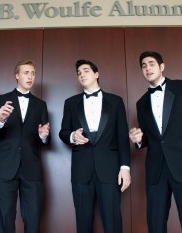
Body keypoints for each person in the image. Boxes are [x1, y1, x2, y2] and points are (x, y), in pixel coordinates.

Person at [129, 51, 182, 233]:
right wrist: (139, 140)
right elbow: (150, 139)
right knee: (155, 223)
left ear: (161, 66)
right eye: (143, 66)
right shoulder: (141, 103)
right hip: (156, 169)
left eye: (151, 63)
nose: (147, 68)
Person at [59, 59, 131, 233]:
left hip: (110, 170)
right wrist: (72, 136)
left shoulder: (116, 101)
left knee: (113, 222)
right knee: (83, 223)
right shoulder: (70, 102)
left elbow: (122, 136)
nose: (81, 74)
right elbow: (63, 131)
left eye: (85, 71)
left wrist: (125, 167)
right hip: (81, 171)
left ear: (96, 74)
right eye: (79, 73)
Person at [0, 60, 50, 233]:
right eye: (26, 72)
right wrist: (0, 119)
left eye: (33, 73)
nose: (30, 76)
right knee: (5, 218)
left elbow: (45, 139)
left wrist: (43, 136)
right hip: (4, 168)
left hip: (31, 169)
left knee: (33, 218)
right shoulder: (0, 100)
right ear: (17, 76)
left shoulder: (40, 105)